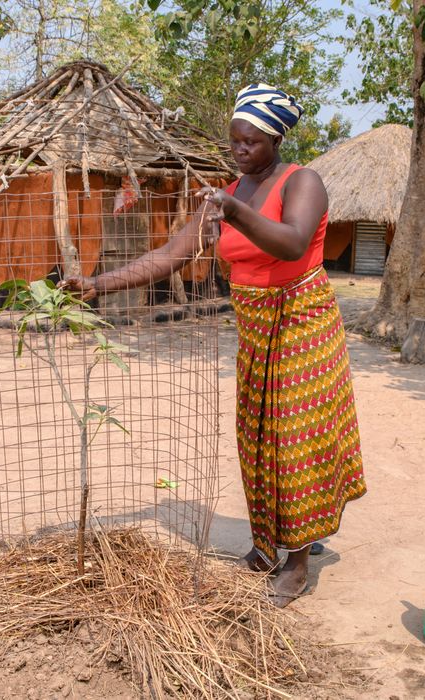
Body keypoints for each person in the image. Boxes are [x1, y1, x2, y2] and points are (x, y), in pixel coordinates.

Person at [65, 84, 366, 607]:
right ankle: (265, 545)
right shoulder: (228, 192)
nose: (240, 151)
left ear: (274, 139)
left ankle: (296, 563)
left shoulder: (303, 182)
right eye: (234, 143)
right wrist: (100, 283)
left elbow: (292, 242)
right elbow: (171, 254)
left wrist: (233, 210)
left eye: (250, 142)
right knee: (257, 435)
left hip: (302, 324)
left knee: (295, 437)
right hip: (256, 328)